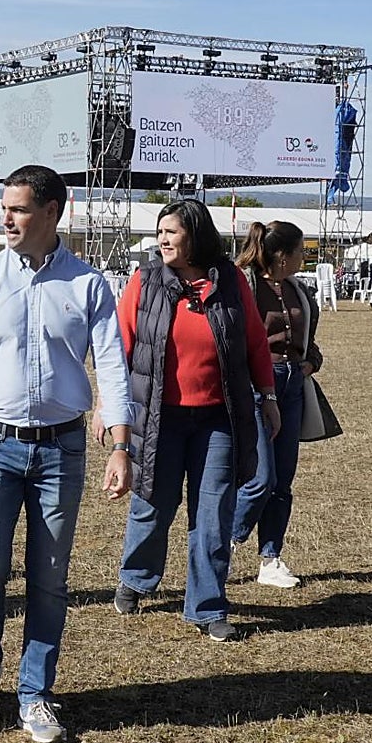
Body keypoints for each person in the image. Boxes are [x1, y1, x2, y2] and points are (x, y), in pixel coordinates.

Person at [0, 164, 134, 743]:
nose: (7, 218)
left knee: (49, 576)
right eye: (4, 208)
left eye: (18, 209)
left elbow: (112, 368)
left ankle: (35, 692)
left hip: (63, 449)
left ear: (51, 212)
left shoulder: (88, 285)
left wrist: (121, 445)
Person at [104, 199, 278, 643]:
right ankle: (136, 577)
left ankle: (208, 606)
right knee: (153, 504)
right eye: (160, 232)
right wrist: (109, 407)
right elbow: (119, 347)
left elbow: (255, 342)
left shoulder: (231, 281)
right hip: (158, 418)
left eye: (172, 232)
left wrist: (269, 396)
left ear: (195, 235)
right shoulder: (145, 281)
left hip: (218, 418)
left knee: (214, 513)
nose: (162, 239)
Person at [231, 221, 324, 588]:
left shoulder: (299, 290)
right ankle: (226, 542)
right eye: (301, 251)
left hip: (293, 387)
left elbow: (310, 342)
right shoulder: (245, 286)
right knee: (261, 479)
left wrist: (310, 363)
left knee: (283, 480)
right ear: (283, 256)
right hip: (255, 388)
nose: (304, 257)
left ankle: (270, 558)